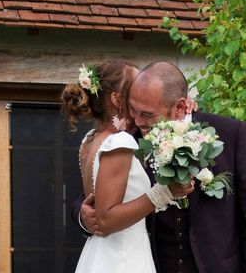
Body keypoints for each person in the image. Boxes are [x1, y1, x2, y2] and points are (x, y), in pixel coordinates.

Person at [78, 61, 246, 272]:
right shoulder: (128, 142)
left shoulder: (229, 134)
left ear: (180, 107)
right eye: (133, 110)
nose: (137, 120)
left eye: (147, 114)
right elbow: (97, 196)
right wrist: (81, 215)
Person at [62, 60, 194, 273]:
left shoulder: (90, 139)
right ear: (117, 99)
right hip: (122, 256)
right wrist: (164, 193)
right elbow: (105, 219)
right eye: (134, 89)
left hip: (100, 253)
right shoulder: (121, 141)